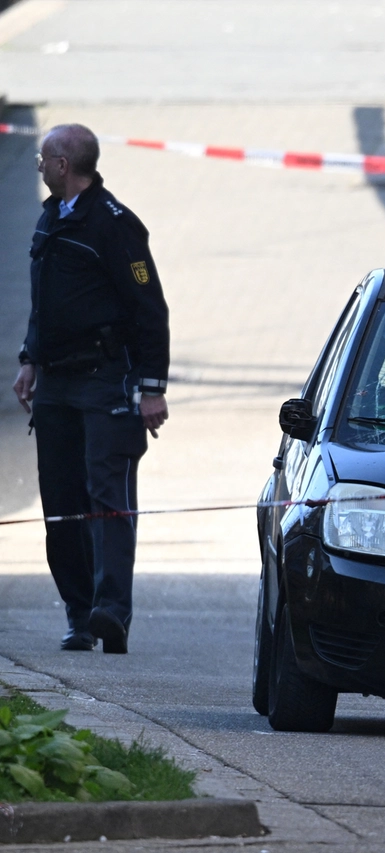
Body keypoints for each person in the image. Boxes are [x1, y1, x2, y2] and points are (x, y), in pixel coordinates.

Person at [11, 123, 170, 654]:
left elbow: (150, 310)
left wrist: (151, 388)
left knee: (108, 498)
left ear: (62, 165)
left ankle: (112, 612)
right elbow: (44, 305)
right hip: (55, 385)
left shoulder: (114, 226)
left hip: (107, 384)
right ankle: (79, 615)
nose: (38, 165)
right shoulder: (49, 220)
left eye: (43, 158)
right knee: (61, 503)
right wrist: (30, 359)